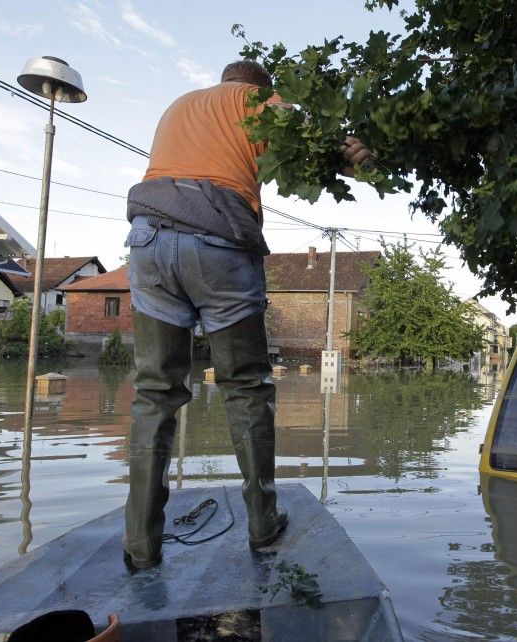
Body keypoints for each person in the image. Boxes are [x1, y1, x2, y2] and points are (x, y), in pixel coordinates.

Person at [122, 59, 371, 570]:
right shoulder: (260, 105)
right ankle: (262, 525)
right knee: (245, 387)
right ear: (264, 88)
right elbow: (320, 156)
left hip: (148, 241)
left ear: (224, 79)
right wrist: (357, 156)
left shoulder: (178, 107)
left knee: (154, 392)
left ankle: (141, 545)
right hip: (218, 241)